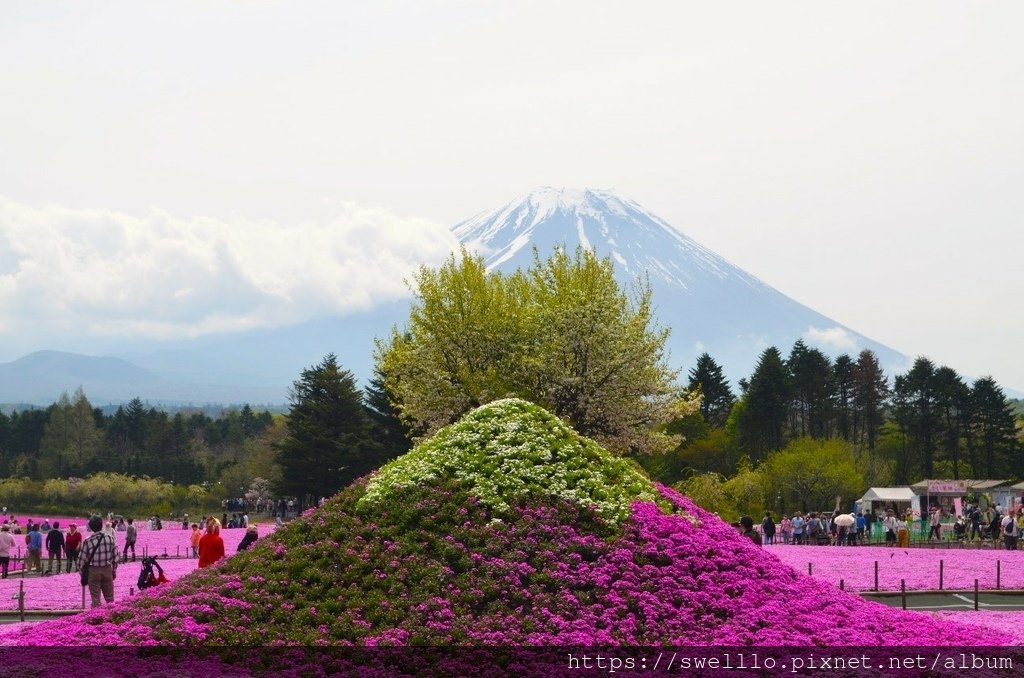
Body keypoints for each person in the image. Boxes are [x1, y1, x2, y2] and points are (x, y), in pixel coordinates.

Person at [79, 516, 118, 608]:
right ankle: (111, 618)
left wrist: (83, 574)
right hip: (107, 569)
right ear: (101, 525)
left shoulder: (88, 541)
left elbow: (81, 560)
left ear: (91, 527)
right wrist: (114, 571)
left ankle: (97, 619)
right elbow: (116, 557)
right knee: (110, 599)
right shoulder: (110, 538)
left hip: (93, 571)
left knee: (95, 600)